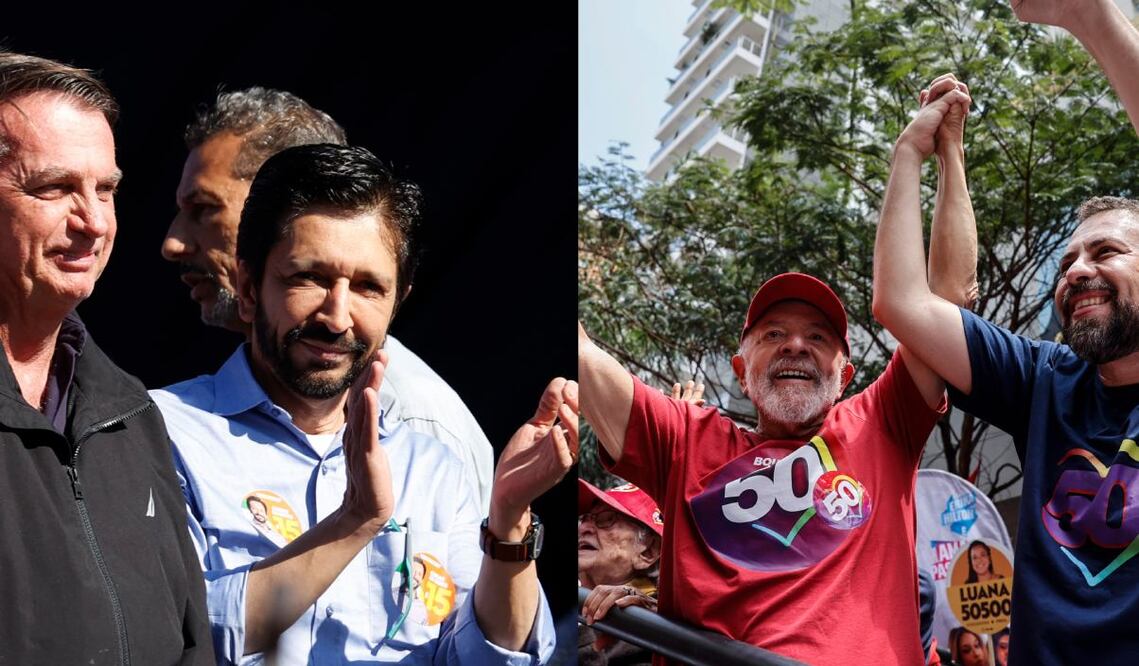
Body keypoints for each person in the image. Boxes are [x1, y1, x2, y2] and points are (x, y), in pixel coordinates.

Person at [152, 142, 574, 664]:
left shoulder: (431, 464)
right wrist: (355, 521)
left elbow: (486, 657)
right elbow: (178, 634)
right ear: (247, 286)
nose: (337, 316)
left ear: (398, 303)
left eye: (368, 287)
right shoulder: (163, 433)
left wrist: (508, 523)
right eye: (309, 278)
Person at [872, 3, 1139, 663]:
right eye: (1067, 262)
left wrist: (1090, 17)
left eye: (1105, 252)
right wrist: (917, 153)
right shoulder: (1046, 380)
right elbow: (905, 302)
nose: (1076, 271)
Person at [162, 87, 495, 510]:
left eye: (204, 209)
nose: (173, 243)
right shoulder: (172, 421)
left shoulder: (413, 421)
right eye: (310, 278)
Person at [0, 51, 212, 662]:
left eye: (106, 190)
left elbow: (190, 640)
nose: (94, 222)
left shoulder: (129, 414)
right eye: (54, 188)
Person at [577, 480, 664, 666]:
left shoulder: (660, 627)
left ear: (648, 551)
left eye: (606, 519)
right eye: (584, 518)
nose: (583, 528)